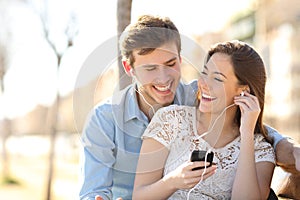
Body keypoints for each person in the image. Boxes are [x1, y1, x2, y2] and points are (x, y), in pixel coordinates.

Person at [79, 15, 299, 200]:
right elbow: (94, 190)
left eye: (171, 64)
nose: (164, 78)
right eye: (150, 68)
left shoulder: (202, 94)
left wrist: (292, 150)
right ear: (129, 68)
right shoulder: (103, 119)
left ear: (180, 59)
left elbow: (257, 129)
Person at [133, 40, 277, 199]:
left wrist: (246, 133)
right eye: (204, 73)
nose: (203, 84)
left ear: (243, 91)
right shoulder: (170, 120)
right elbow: (139, 196)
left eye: (217, 79)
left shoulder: (260, 149)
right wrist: (174, 181)